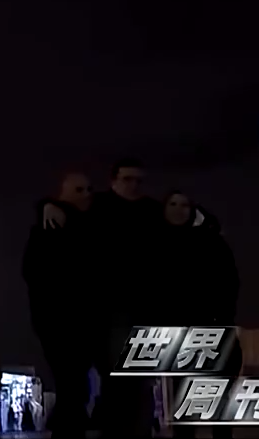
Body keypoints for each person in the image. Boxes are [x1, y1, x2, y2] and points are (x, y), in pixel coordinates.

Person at [156, 193, 241, 439]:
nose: (178, 209)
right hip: (178, 331)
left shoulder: (212, 242)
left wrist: (221, 318)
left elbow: (230, 282)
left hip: (212, 326)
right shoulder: (156, 243)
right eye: (172, 204)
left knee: (219, 399)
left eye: (184, 205)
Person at [89, 158, 162, 437]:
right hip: (113, 309)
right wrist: (47, 205)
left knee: (142, 382)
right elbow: (66, 208)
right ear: (114, 180)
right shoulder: (98, 206)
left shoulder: (151, 210)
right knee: (116, 380)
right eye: (127, 179)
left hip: (146, 308)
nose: (133, 185)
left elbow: (187, 214)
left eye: (138, 180)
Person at [24, 172, 99, 439]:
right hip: (61, 320)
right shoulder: (52, 227)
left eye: (88, 189)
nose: (86, 194)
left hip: (76, 319)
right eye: (79, 189)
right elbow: (34, 272)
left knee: (74, 385)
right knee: (73, 384)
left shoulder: (78, 223)